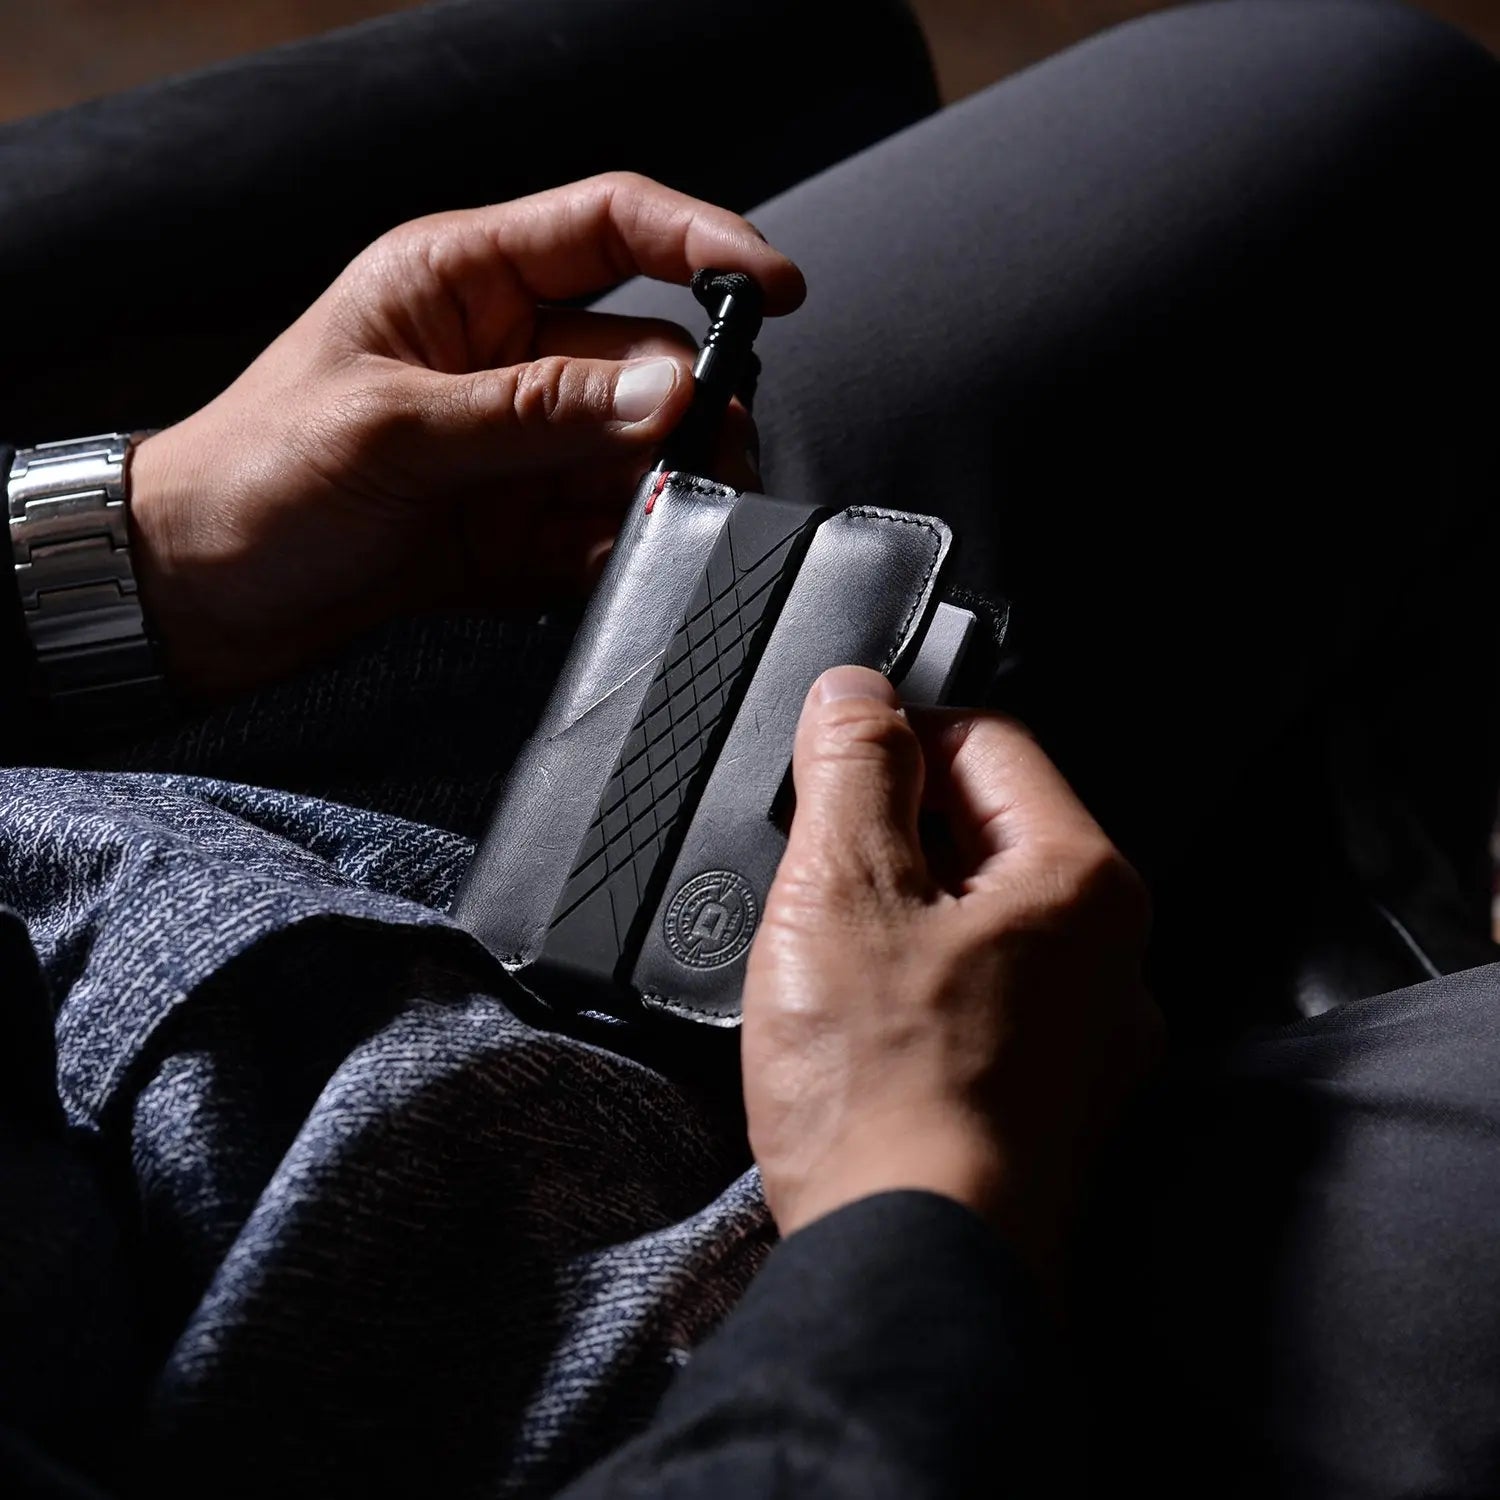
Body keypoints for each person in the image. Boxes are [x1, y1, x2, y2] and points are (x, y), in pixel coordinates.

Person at [1, 0, 1496, 1496]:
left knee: (1379, 103)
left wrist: (129, 550)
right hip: (702, 1350)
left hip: (232, 756)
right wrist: (917, 1202)